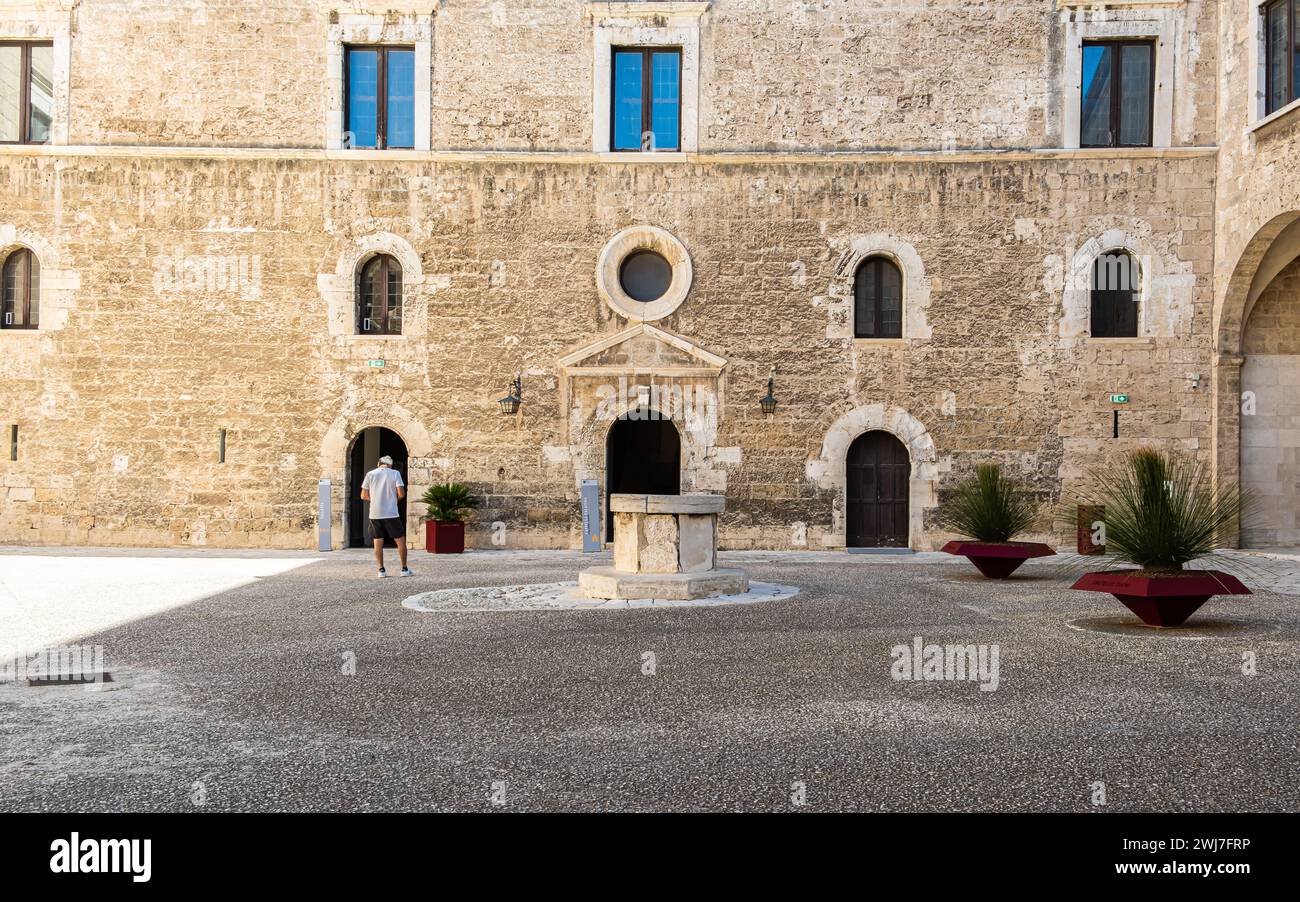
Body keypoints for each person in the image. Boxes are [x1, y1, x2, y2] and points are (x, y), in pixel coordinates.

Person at [360, 455, 412, 578]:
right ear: (390, 465)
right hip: (392, 512)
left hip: (375, 513)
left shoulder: (370, 474)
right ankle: (404, 569)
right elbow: (401, 493)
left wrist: (376, 500)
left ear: (379, 463)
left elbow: (363, 495)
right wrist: (393, 500)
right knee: (400, 541)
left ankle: (381, 570)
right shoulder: (395, 473)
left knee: (378, 542)